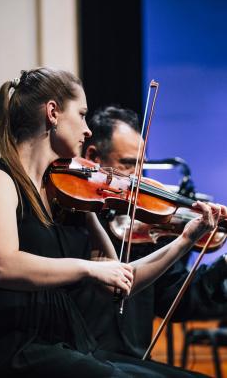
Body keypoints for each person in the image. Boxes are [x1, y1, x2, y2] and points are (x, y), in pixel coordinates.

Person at [0, 67, 223, 378]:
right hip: (11, 351)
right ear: (53, 113)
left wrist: (186, 239)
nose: (86, 130)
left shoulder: (67, 195)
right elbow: (2, 266)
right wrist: (87, 267)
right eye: (81, 114)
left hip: (65, 344)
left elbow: (123, 281)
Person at [78, 105, 227, 359]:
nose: (138, 178)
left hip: (133, 361)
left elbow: (174, 301)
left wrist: (222, 266)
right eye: (127, 164)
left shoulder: (147, 225)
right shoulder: (70, 217)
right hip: (79, 359)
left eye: (141, 166)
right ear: (94, 157)